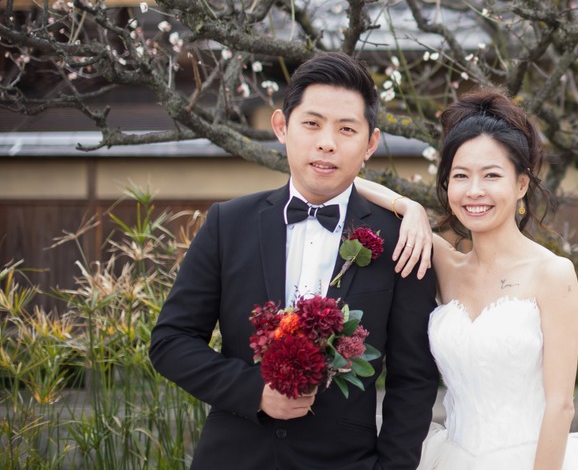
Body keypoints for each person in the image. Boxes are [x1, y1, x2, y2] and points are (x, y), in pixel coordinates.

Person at [150, 52, 439, 470]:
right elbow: (171, 342)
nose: (327, 142)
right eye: (312, 123)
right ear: (282, 128)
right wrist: (254, 391)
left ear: (370, 143)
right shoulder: (227, 224)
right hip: (232, 457)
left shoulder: (401, 240)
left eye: (346, 129)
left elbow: (414, 379)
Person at [357, 88, 578, 470]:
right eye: (461, 176)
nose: (474, 191)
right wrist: (408, 208)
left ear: (521, 184)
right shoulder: (446, 265)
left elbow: (561, 404)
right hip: (451, 456)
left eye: (491, 175)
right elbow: (350, 183)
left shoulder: (552, 273)